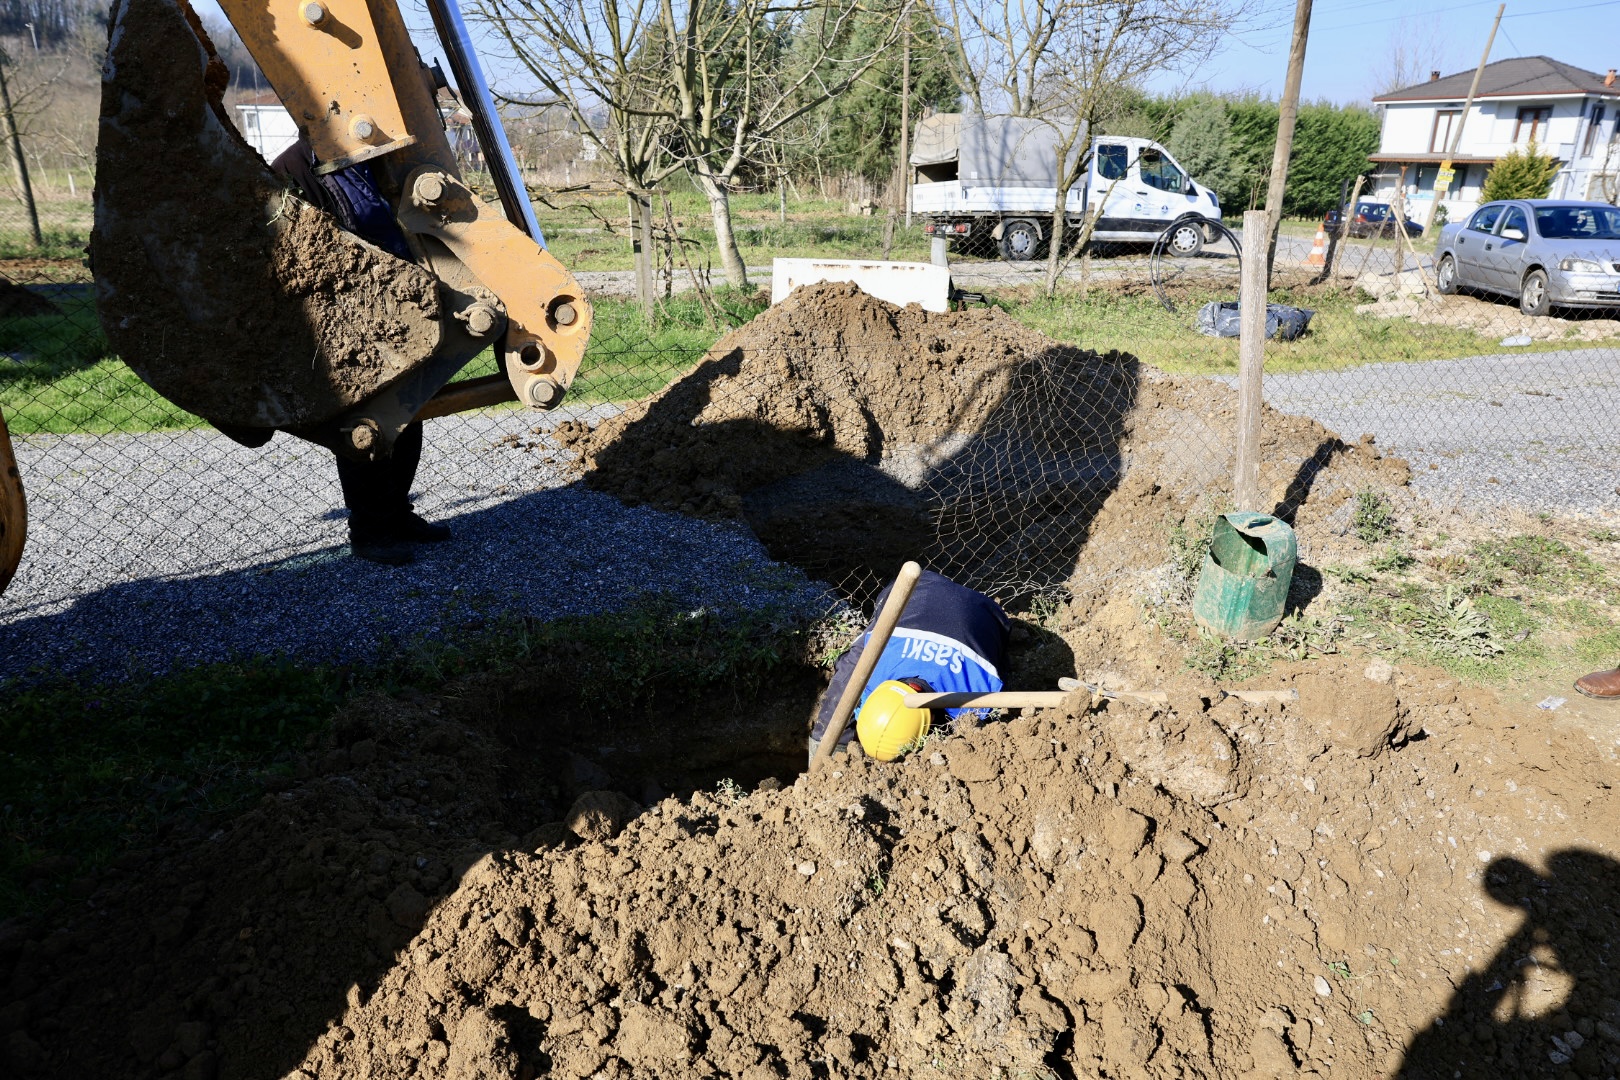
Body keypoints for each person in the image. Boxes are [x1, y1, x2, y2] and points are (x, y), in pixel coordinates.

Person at [271, 139, 451, 565]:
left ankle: (397, 514)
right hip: (349, 320)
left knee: (408, 416)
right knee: (367, 424)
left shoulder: (382, 160)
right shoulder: (293, 172)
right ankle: (370, 531)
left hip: (403, 311)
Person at [808, 569, 1010, 763]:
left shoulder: (974, 700)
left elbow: (981, 742)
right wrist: (825, 764)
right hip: (914, 590)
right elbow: (833, 714)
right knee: (850, 680)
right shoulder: (868, 663)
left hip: (986, 615)